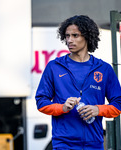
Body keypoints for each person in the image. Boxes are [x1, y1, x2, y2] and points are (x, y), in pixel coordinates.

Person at [35, 15, 121, 149]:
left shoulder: (104, 69)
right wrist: (62, 107)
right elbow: (41, 102)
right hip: (63, 144)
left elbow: (118, 105)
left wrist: (97, 109)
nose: (70, 40)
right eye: (67, 36)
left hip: (94, 144)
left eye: (75, 35)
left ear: (87, 37)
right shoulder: (54, 67)